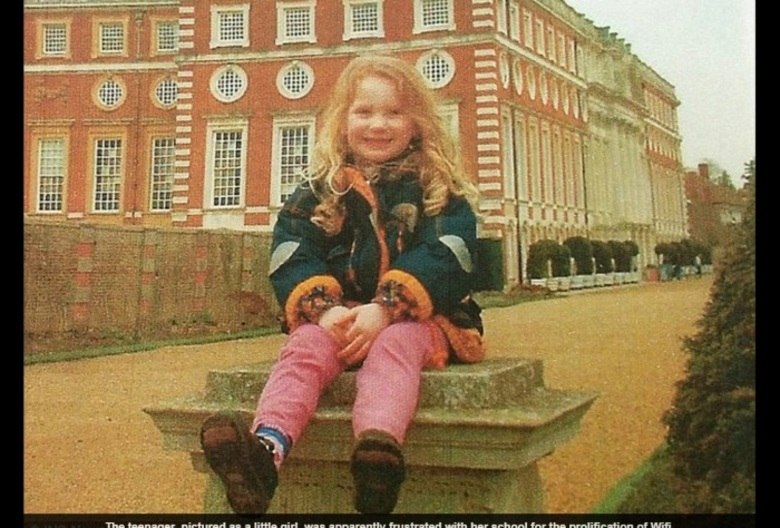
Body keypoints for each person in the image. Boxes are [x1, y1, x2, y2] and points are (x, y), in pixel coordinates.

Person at [199, 54, 485, 514]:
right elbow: (292, 249)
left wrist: (387, 307)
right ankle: (263, 458)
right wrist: (324, 309)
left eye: (394, 112)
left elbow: (448, 253)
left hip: (423, 320)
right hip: (342, 316)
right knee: (304, 347)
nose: (378, 124)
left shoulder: (437, 186)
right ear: (342, 119)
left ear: (418, 123)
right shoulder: (320, 188)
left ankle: (377, 460)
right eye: (364, 111)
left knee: (395, 345)